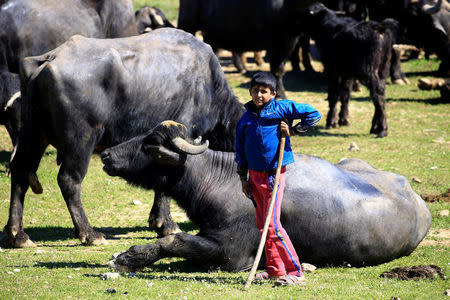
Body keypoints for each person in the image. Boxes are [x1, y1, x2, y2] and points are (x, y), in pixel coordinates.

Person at [235, 72, 321, 286]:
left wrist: (294, 130)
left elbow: (314, 113)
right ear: (250, 92)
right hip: (254, 176)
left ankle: (296, 271)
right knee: (262, 225)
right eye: (255, 90)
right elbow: (240, 151)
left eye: (264, 91)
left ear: (273, 93)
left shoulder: (281, 109)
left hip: (274, 174)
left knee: (273, 225)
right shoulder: (245, 119)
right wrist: (243, 178)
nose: (259, 95)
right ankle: (275, 270)